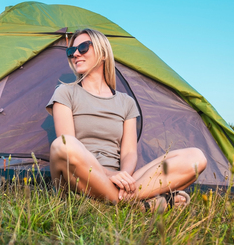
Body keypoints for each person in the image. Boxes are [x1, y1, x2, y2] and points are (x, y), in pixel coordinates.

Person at [46, 28, 207, 209]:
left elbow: (129, 152)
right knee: (62, 145)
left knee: (196, 157)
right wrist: (107, 174)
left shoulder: (126, 102)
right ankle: (140, 204)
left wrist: (123, 175)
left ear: (103, 52)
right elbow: (68, 144)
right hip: (78, 177)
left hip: (118, 179)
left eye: (83, 47)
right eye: (71, 51)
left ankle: (120, 199)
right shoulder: (65, 92)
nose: (75, 54)